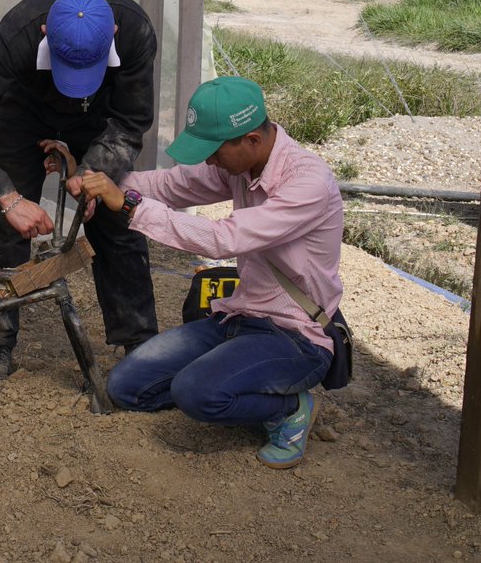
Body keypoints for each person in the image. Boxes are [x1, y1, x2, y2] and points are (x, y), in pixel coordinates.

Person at [79, 76, 343, 469]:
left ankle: (289, 408)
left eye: (214, 151)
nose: (209, 161)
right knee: (126, 387)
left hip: (294, 336)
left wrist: (130, 207)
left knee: (196, 392)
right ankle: (225, 382)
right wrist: (96, 181)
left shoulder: (307, 183)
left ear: (251, 140)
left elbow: (224, 238)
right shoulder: (240, 163)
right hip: (240, 318)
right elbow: (171, 185)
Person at [0, 0, 159, 380]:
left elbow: (130, 122)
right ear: (45, 33)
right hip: (22, 112)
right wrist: (10, 199)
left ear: (113, 34)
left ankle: (139, 341)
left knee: (115, 215)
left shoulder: (136, 31)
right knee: (6, 226)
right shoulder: (15, 37)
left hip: (98, 114)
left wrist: (94, 172)